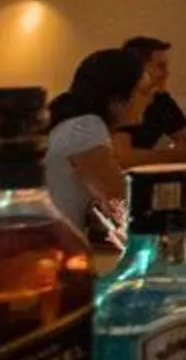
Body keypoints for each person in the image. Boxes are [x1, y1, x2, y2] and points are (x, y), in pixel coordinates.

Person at [42, 46, 146, 242]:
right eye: (143, 91)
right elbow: (121, 205)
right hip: (50, 250)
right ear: (117, 99)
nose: (151, 99)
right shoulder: (86, 128)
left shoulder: (74, 123)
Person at [117, 34, 186, 161]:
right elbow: (123, 157)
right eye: (160, 67)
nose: (167, 73)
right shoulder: (120, 102)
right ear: (138, 69)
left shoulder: (161, 99)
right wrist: (182, 153)